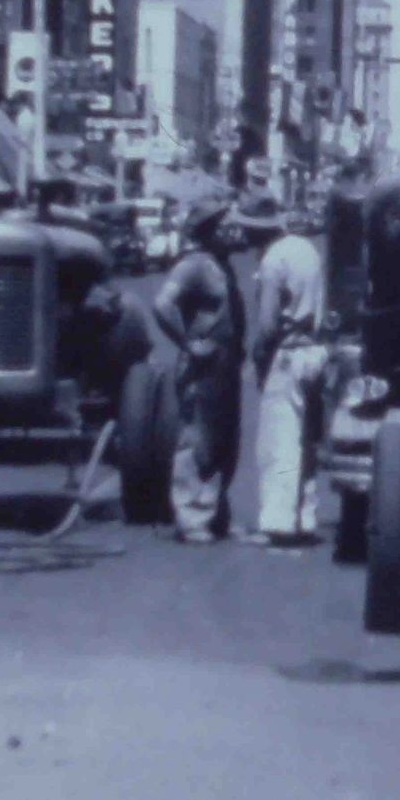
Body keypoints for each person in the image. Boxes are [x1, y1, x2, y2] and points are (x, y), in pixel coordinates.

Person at [154, 197, 249, 544]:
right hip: (202, 365)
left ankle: (215, 514)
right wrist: (187, 344)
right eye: (224, 224)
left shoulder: (222, 265)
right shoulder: (192, 266)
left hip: (226, 365)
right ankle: (192, 518)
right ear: (209, 231)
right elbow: (162, 304)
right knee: (198, 440)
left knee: (225, 438)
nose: (232, 229)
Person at [243, 203, 325, 548]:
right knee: (306, 440)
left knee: (280, 441)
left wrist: (258, 358)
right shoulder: (308, 250)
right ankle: (304, 516)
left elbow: (267, 324)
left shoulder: (273, 260)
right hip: (315, 350)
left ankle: (278, 523)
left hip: (288, 353)